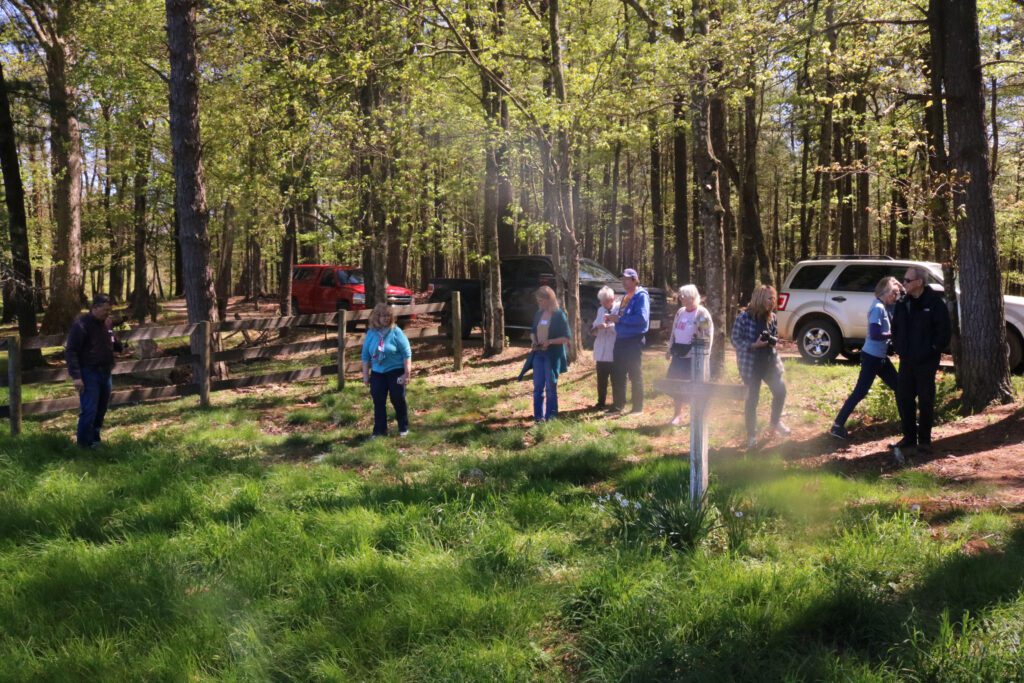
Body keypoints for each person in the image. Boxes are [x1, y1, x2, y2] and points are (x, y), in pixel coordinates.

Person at [890, 264, 951, 459]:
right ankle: (909, 437)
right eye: (904, 279)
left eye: (907, 280)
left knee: (925, 400)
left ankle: (924, 440)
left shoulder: (934, 303)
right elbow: (896, 327)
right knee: (904, 398)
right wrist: (899, 347)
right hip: (907, 360)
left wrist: (932, 350)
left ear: (919, 282)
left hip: (926, 361)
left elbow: (943, 332)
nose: (903, 283)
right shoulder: (903, 303)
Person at [830, 277, 902, 440]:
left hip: (880, 358)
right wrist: (894, 334)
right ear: (886, 291)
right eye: (894, 292)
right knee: (860, 391)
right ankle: (837, 426)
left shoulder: (885, 306)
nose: (896, 296)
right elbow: (876, 334)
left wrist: (901, 289)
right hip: (872, 357)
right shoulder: (877, 308)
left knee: (899, 386)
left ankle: (906, 423)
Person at [731, 284, 789, 450]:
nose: (772, 301)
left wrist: (775, 341)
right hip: (751, 365)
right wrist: (753, 345)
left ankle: (774, 423)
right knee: (752, 400)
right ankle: (751, 435)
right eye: (769, 298)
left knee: (780, 391)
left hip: (770, 363)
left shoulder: (772, 317)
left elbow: (774, 336)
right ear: (759, 298)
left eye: (773, 298)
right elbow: (735, 340)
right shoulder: (743, 317)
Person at [65, 293, 124, 448]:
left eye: (109, 310)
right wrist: (76, 376)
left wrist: (117, 341)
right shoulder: (81, 325)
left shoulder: (107, 323)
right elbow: (71, 351)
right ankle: (84, 445)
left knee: (101, 408)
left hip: (106, 372)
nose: (107, 313)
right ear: (95, 308)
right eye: (105, 310)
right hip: (89, 372)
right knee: (89, 410)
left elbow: (114, 343)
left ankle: (95, 440)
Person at [361, 303, 413, 437]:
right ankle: (379, 431)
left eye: (388, 316)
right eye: (382, 316)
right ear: (376, 318)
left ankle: (403, 428)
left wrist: (406, 373)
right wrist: (366, 376)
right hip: (378, 373)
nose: (385, 318)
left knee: (398, 399)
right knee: (378, 401)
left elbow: (406, 353)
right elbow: (365, 356)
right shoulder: (371, 333)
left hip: (396, 371)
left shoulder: (396, 331)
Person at [666, 284, 714, 425]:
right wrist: (669, 348)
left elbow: (707, 334)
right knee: (676, 384)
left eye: (684, 296)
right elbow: (674, 331)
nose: (681, 299)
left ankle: (697, 416)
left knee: (693, 387)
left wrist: (705, 354)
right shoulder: (680, 312)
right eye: (681, 296)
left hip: (693, 357)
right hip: (678, 354)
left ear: (692, 297)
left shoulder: (702, 313)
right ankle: (677, 415)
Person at [607, 268, 650, 414]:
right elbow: (622, 316)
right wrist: (613, 318)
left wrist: (620, 319)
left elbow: (642, 319)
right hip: (620, 339)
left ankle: (637, 407)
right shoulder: (626, 296)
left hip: (634, 340)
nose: (624, 282)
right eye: (622, 279)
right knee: (617, 373)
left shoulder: (641, 296)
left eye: (626, 279)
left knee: (634, 373)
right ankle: (618, 405)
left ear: (634, 280)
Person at [527, 285, 571, 423]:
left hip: (552, 356)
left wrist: (550, 341)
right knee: (537, 388)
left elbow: (566, 337)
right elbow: (533, 331)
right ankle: (538, 418)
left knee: (551, 387)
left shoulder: (559, 314)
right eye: (538, 300)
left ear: (549, 299)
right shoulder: (538, 314)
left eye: (541, 300)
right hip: (538, 355)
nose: (539, 303)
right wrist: (534, 341)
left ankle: (551, 418)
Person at [591, 286, 618, 409]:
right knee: (601, 379)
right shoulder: (600, 310)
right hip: (601, 350)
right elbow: (593, 330)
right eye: (600, 301)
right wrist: (598, 327)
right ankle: (601, 402)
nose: (600, 303)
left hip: (613, 351)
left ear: (611, 300)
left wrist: (610, 326)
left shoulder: (619, 309)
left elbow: (622, 330)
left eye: (603, 301)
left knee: (615, 379)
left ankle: (616, 403)